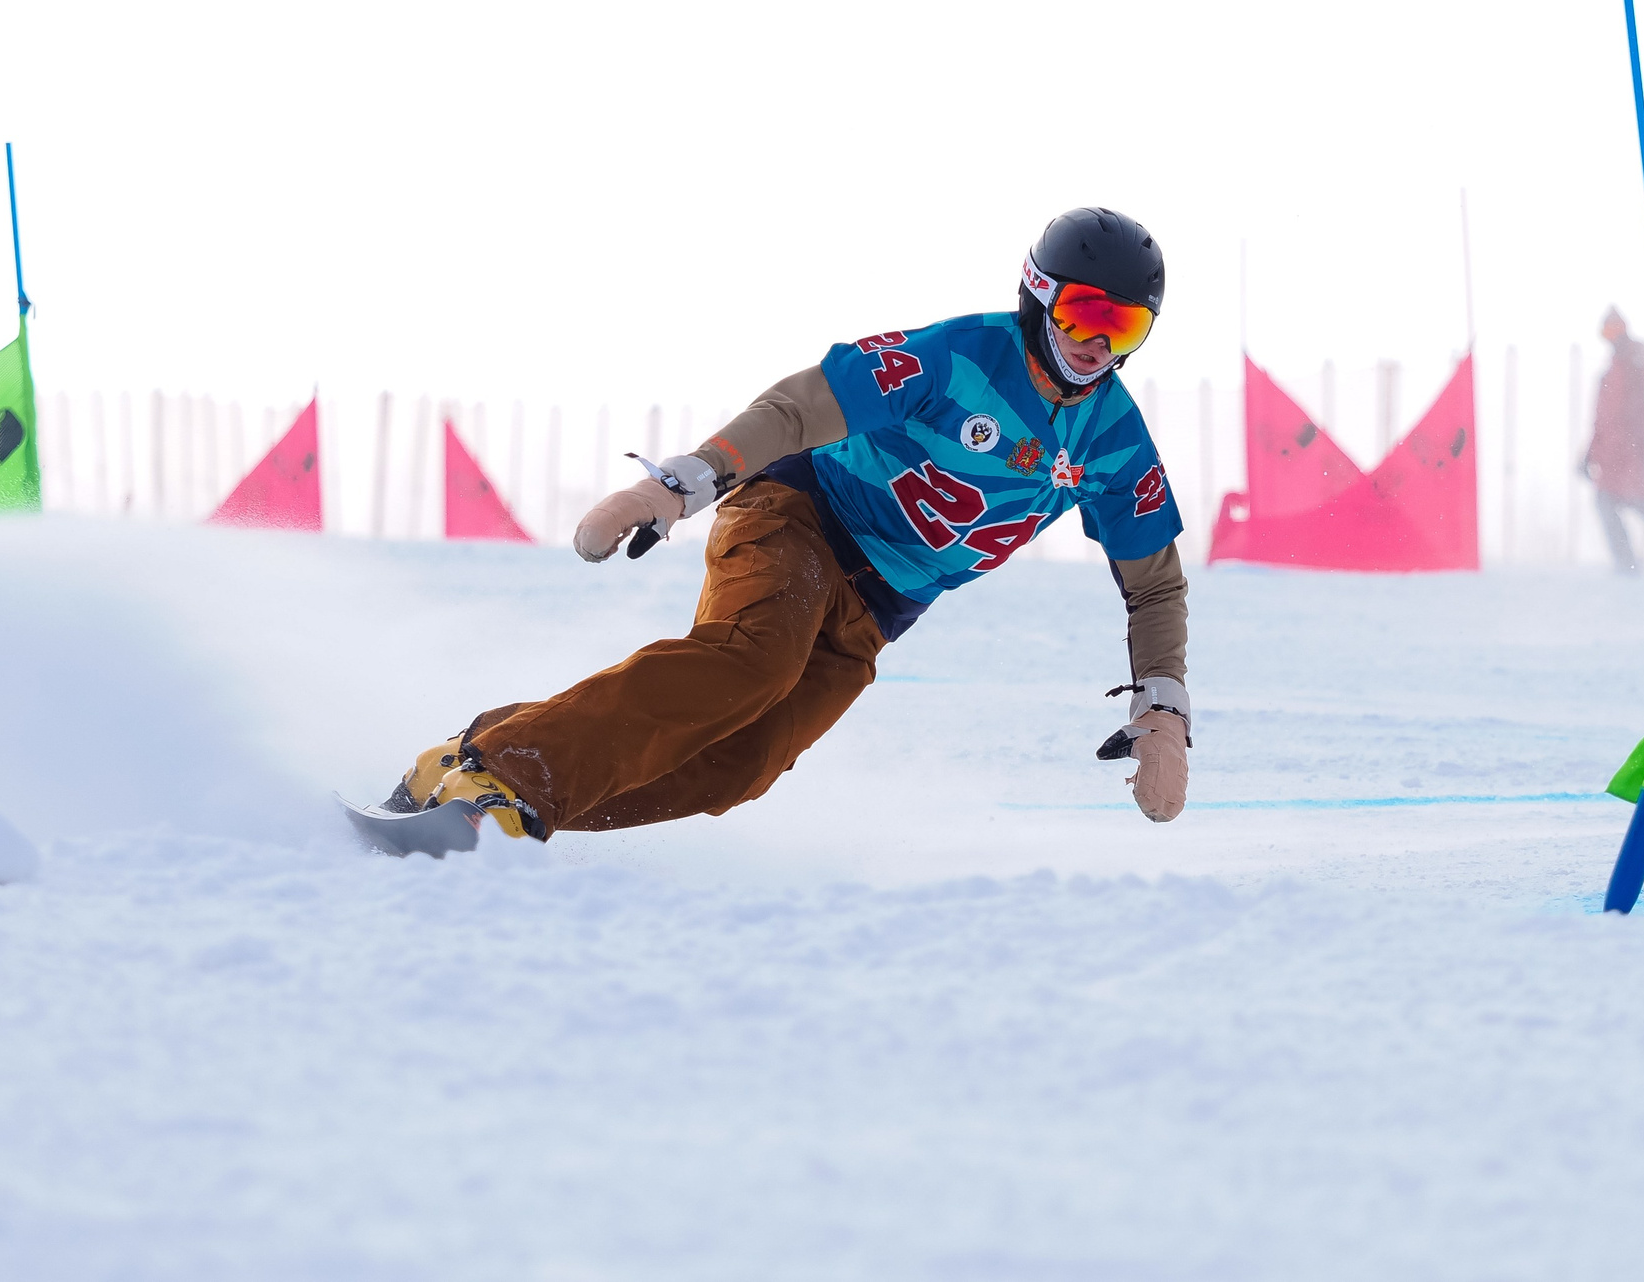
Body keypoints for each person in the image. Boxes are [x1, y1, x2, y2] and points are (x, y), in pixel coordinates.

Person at [383, 208, 1193, 840]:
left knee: (741, 765)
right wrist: (682, 483)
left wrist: (1163, 710)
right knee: (752, 662)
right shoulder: (957, 356)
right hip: (803, 518)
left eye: (1123, 327)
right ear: (1039, 294)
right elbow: (802, 408)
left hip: (880, 609)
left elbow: (1154, 586)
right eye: (1086, 311)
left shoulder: (1116, 442)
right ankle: (508, 776)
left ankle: (484, 783)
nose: (1095, 342)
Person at [1583, 306, 1644, 575]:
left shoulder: (1642, 362)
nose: (1612, 336)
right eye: (1607, 331)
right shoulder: (1610, 373)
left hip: (1637, 454)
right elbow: (1601, 420)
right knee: (1606, 503)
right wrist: (1588, 454)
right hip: (1613, 459)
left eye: (1615, 329)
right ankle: (1627, 565)